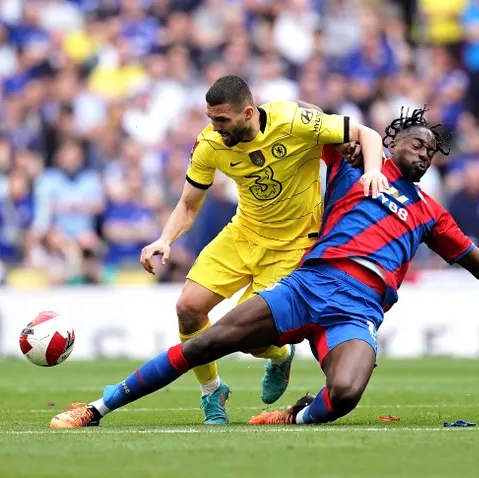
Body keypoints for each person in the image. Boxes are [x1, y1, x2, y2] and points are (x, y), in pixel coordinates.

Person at [50, 107, 479, 429]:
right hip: (308, 282)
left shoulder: (431, 212)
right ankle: (99, 406)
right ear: (393, 141)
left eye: (431, 150)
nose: (423, 152)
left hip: (358, 308)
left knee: (345, 393)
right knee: (204, 340)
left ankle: (294, 416)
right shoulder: (349, 166)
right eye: (416, 142)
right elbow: (302, 130)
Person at [135, 75, 388, 424]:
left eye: (222, 120)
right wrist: (164, 239)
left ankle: (281, 355)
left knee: (248, 338)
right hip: (243, 234)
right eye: (211, 119)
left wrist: (373, 171)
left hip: (293, 245)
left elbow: (367, 134)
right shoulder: (210, 143)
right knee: (187, 308)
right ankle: (212, 392)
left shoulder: (293, 122)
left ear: (249, 113)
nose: (215, 127)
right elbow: (189, 205)